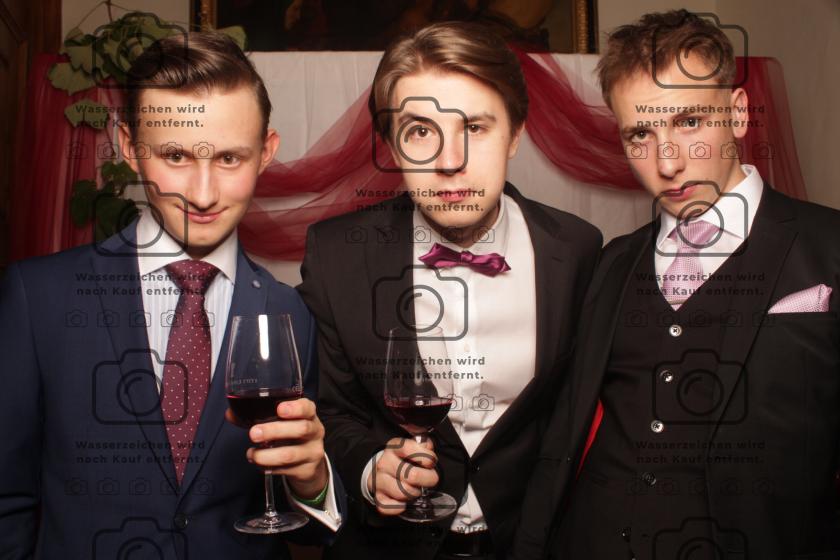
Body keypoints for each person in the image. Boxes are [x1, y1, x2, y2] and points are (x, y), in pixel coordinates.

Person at [0, 32, 344, 559]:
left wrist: (313, 480)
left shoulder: (290, 311)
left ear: (266, 153)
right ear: (129, 148)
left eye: (229, 158)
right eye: (176, 156)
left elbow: (307, 528)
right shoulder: (36, 298)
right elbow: (8, 502)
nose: (203, 194)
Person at [512, 10, 840, 560]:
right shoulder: (612, 262)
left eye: (689, 122)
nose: (667, 162)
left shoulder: (829, 246)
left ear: (738, 113)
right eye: (641, 133)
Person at [297, 21, 601, 560]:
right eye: (419, 132)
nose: (448, 161)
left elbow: (574, 419)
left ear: (515, 134)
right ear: (392, 145)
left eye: (475, 127)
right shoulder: (336, 255)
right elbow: (332, 412)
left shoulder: (577, 249)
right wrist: (371, 468)